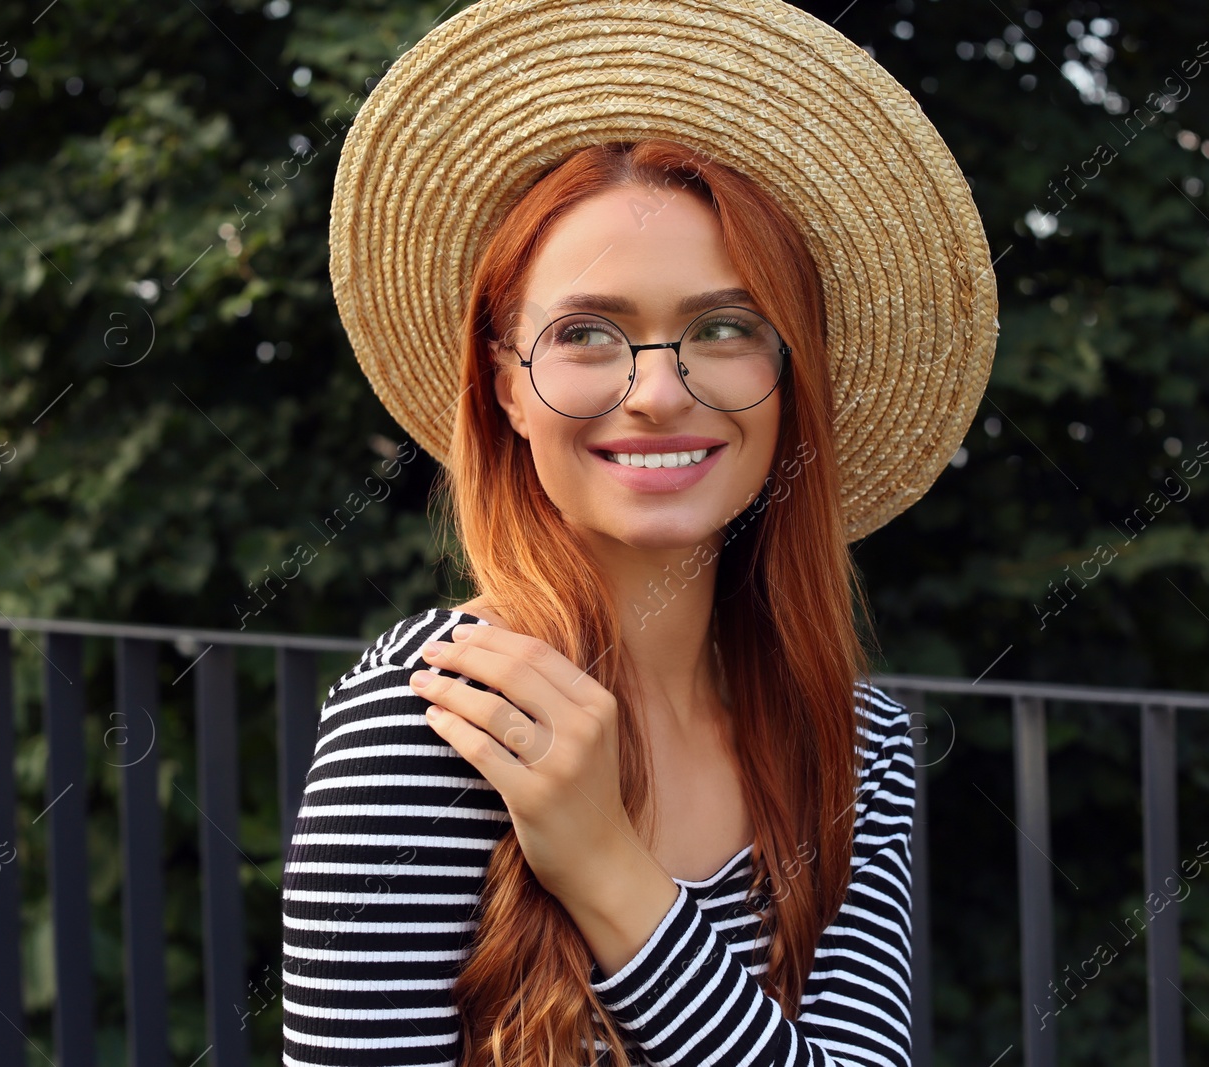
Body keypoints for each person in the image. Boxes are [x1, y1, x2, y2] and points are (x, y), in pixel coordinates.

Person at [282, 1, 997, 1065]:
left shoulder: (858, 742)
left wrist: (610, 872)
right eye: (586, 333)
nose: (658, 391)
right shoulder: (435, 720)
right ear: (506, 387)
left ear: (789, 380)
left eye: (722, 327)